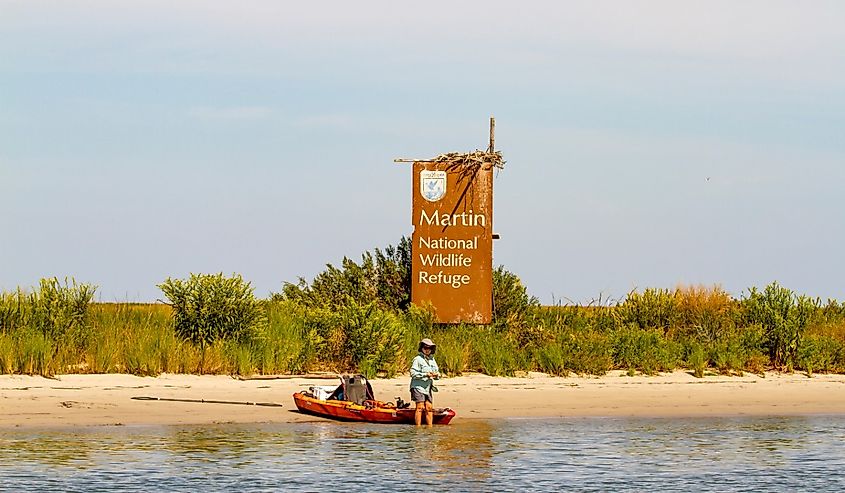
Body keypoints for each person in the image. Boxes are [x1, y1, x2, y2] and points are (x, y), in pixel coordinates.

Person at [410, 338, 440, 426]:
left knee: (429, 408)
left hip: (428, 387)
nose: (427, 350)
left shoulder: (432, 360)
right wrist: (425, 375)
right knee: (420, 407)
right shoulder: (417, 359)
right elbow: (413, 373)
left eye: (429, 348)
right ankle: (418, 429)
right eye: (425, 348)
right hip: (418, 387)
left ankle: (430, 428)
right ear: (422, 348)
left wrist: (436, 375)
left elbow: (437, 372)